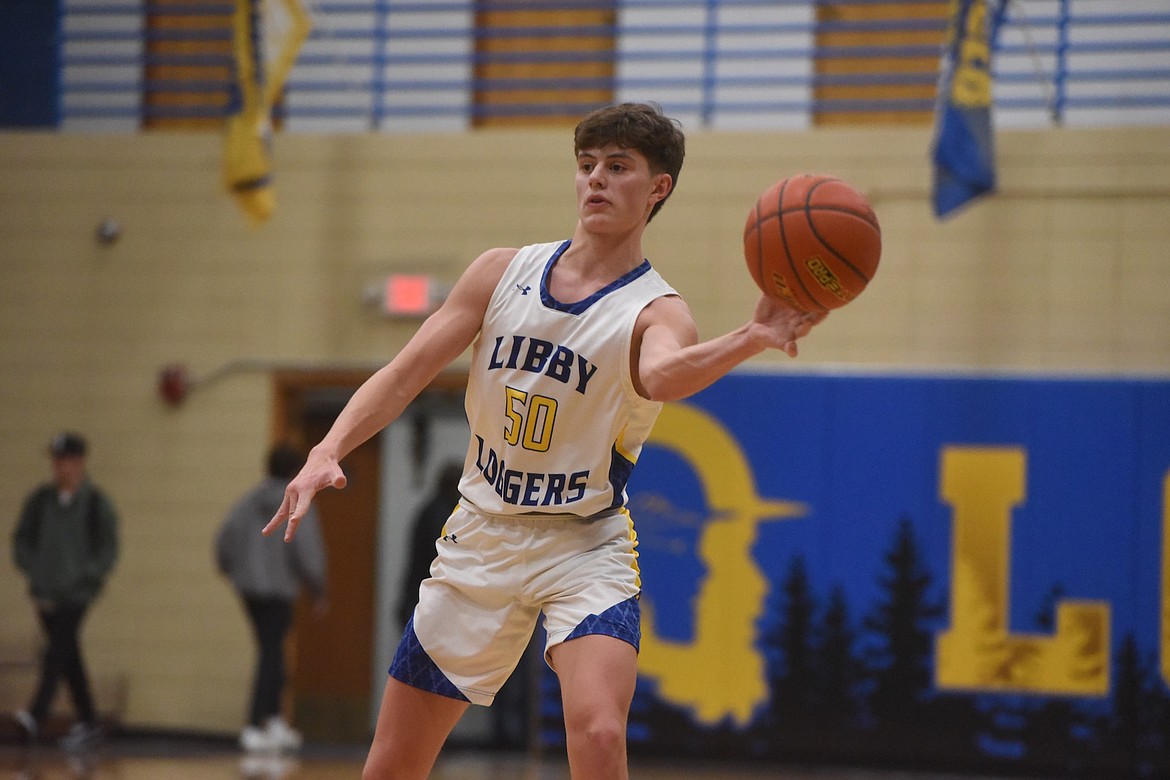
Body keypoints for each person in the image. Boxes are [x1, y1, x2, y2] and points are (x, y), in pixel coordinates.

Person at [263, 102, 825, 779]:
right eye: (586, 166)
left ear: (658, 189)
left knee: (596, 733)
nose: (595, 180)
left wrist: (751, 337)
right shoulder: (502, 273)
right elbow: (407, 371)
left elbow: (663, 374)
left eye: (618, 168)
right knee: (392, 766)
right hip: (482, 536)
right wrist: (329, 448)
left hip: (583, 545)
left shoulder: (657, 309)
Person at [215, 443, 328, 753]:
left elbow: (224, 537)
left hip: (249, 590)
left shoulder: (247, 501)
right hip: (278, 591)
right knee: (271, 653)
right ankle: (254, 725)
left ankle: (275, 721)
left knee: (272, 650)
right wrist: (318, 590)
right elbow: (308, 550)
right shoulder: (298, 499)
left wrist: (232, 571)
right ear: (295, 470)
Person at [11, 431, 119, 752]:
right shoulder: (40, 501)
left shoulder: (96, 503)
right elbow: (22, 539)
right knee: (68, 654)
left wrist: (88, 575)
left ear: (79, 462)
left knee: (57, 648)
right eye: (56, 460)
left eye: (66, 460)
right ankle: (88, 721)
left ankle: (36, 712)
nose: (60, 467)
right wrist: (34, 568)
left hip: (78, 593)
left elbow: (108, 548)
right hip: (45, 591)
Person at [396, 461, 463, 629]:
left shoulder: (429, 509)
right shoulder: (441, 514)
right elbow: (445, 556)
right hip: (426, 599)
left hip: (418, 595)